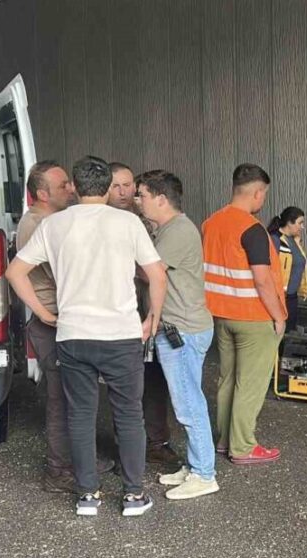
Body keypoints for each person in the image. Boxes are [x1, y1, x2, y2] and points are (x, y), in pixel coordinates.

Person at [6, 156, 168, 517]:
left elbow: (15, 272)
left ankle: (87, 496)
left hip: (73, 335)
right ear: (108, 187)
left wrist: (44, 313)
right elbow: (157, 274)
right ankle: (133, 495)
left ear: (76, 188)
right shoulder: (127, 222)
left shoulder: (54, 225)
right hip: (121, 335)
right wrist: (152, 318)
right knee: (129, 415)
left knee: (79, 415)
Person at [17, 161, 117, 493]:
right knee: (61, 399)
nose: (72, 189)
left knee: (75, 397)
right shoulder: (40, 226)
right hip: (54, 322)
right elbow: (64, 274)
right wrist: (43, 313)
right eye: (63, 186)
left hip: (60, 320)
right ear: (42, 194)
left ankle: (80, 460)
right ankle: (59, 471)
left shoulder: (50, 221)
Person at [136, 170, 220, 500]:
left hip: (181, 330)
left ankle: (204, 474)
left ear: (161, 199)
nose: (138, 200)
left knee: (188, 404)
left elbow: (149, 272)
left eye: (142, 195)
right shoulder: (168, 229)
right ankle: (196, 464)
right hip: (178, 328)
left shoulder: (179, 230)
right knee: (186, 400)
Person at [202, 163, 285, 465]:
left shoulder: (211, 223)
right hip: (254, 317)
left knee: (228, 379)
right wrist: (278, 316)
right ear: (258, 192)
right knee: (250, 384)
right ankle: (243, 446)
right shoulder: (252, 229)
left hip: (221, 315)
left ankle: (225, 440)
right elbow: (262, 279)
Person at [110, 162, 178, 468]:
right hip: (119, 311)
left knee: (154, 377)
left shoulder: (149, 221)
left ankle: (156, 442)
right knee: (122, 383)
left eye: (129, 186)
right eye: (116, 186)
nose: (124, 192)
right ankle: (125, 447)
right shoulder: (102, 221)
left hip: (149, 306)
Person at [268, 206, 307, 333]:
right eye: (300, 223)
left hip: (292, 297)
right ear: (289, 223)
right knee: (280, 333)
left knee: (289, 331)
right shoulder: (275, 240)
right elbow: (268, 269)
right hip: (280, 297)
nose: (302, 227)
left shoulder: (293, 240)